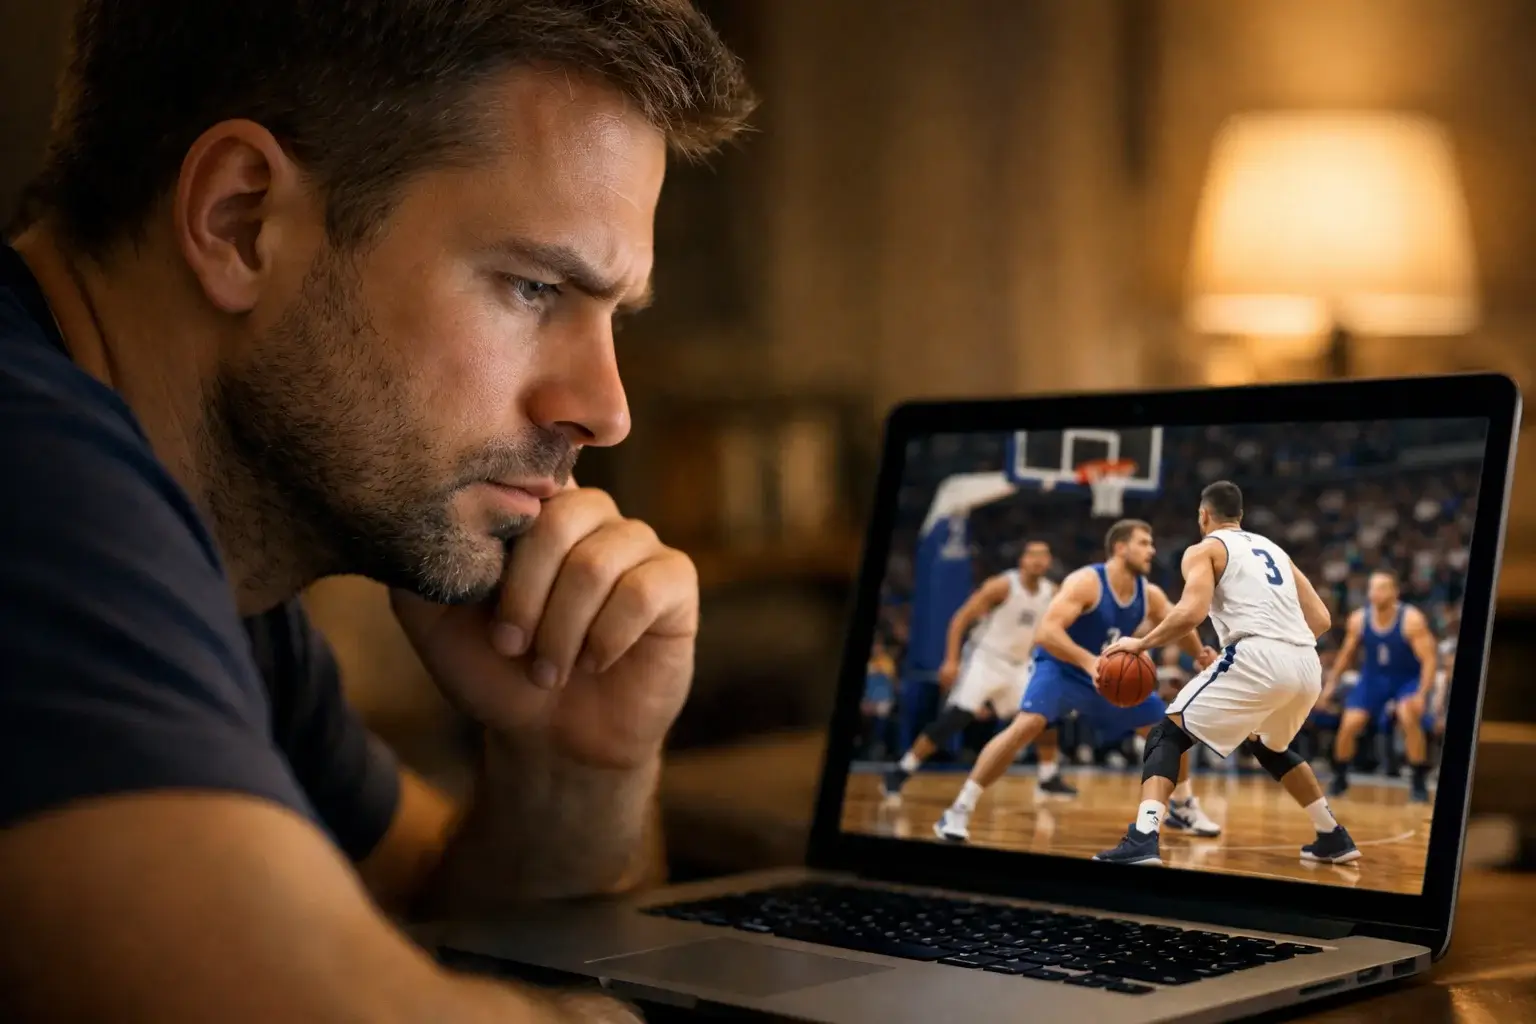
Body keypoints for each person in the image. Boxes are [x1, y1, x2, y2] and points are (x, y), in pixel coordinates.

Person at [0, 3, 754, 1022]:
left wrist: (573, 765)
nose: (607, 410)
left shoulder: (224, 561)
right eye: (534, 286)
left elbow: (421, 918)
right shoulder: (33, 473)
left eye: (613, 314)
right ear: (240, 219)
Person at [1094, 482, 1360, 867]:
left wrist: (1139, 644)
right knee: (1270, 748)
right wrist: (1281, 647)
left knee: (1165, 734)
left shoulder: (1204, 549)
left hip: (1257, 654)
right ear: (1241, 516)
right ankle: (1332, 836)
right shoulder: (1275, 551)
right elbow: (1321, 619)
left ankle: (1143, 837)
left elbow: (1191, 612)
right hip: (1305, 661)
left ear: (1204, 515)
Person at [933, 519, 1222, 843]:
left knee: (1171, 730)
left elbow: (1179, 622)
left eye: (1151, 544)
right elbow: (1046, 632)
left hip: (1108, 678)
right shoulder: (1086, 582)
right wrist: (1088, 661)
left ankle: (1182, 806)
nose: (1151, 550)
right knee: (1025, 727)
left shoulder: (1149, 594)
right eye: (1144, 543)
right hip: (1063, 670)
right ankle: (959, 808)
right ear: (1120, 547)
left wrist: (1200, 654)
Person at [882, 541, 1075, 800]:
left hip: (1019, 665)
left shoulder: (1052, 592)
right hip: (986, 659)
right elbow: (960, 619)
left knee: (1046, 716)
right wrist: (951, 660)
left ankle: (1048, 777)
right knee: (956, 718)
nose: (1038, 560)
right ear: (1022, 560)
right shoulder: (1002, 586)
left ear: (1049, 562)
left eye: (1043, 555)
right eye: (1032, 555)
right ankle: (901, 770)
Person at [1319, 571, 1439, 802]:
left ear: (1395, 592)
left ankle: (1418, 781)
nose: (1375, 593)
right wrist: (1331, 685)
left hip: (1405, 679)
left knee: (1407, 716)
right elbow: (1346, 655)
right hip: (1373, 679)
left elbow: (1429, 659)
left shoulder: (1411, 619)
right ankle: (1340, 777)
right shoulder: (1359, 619)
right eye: (1372, 588)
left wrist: (1422, 694)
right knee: (1349, 724)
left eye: (1382, 588)